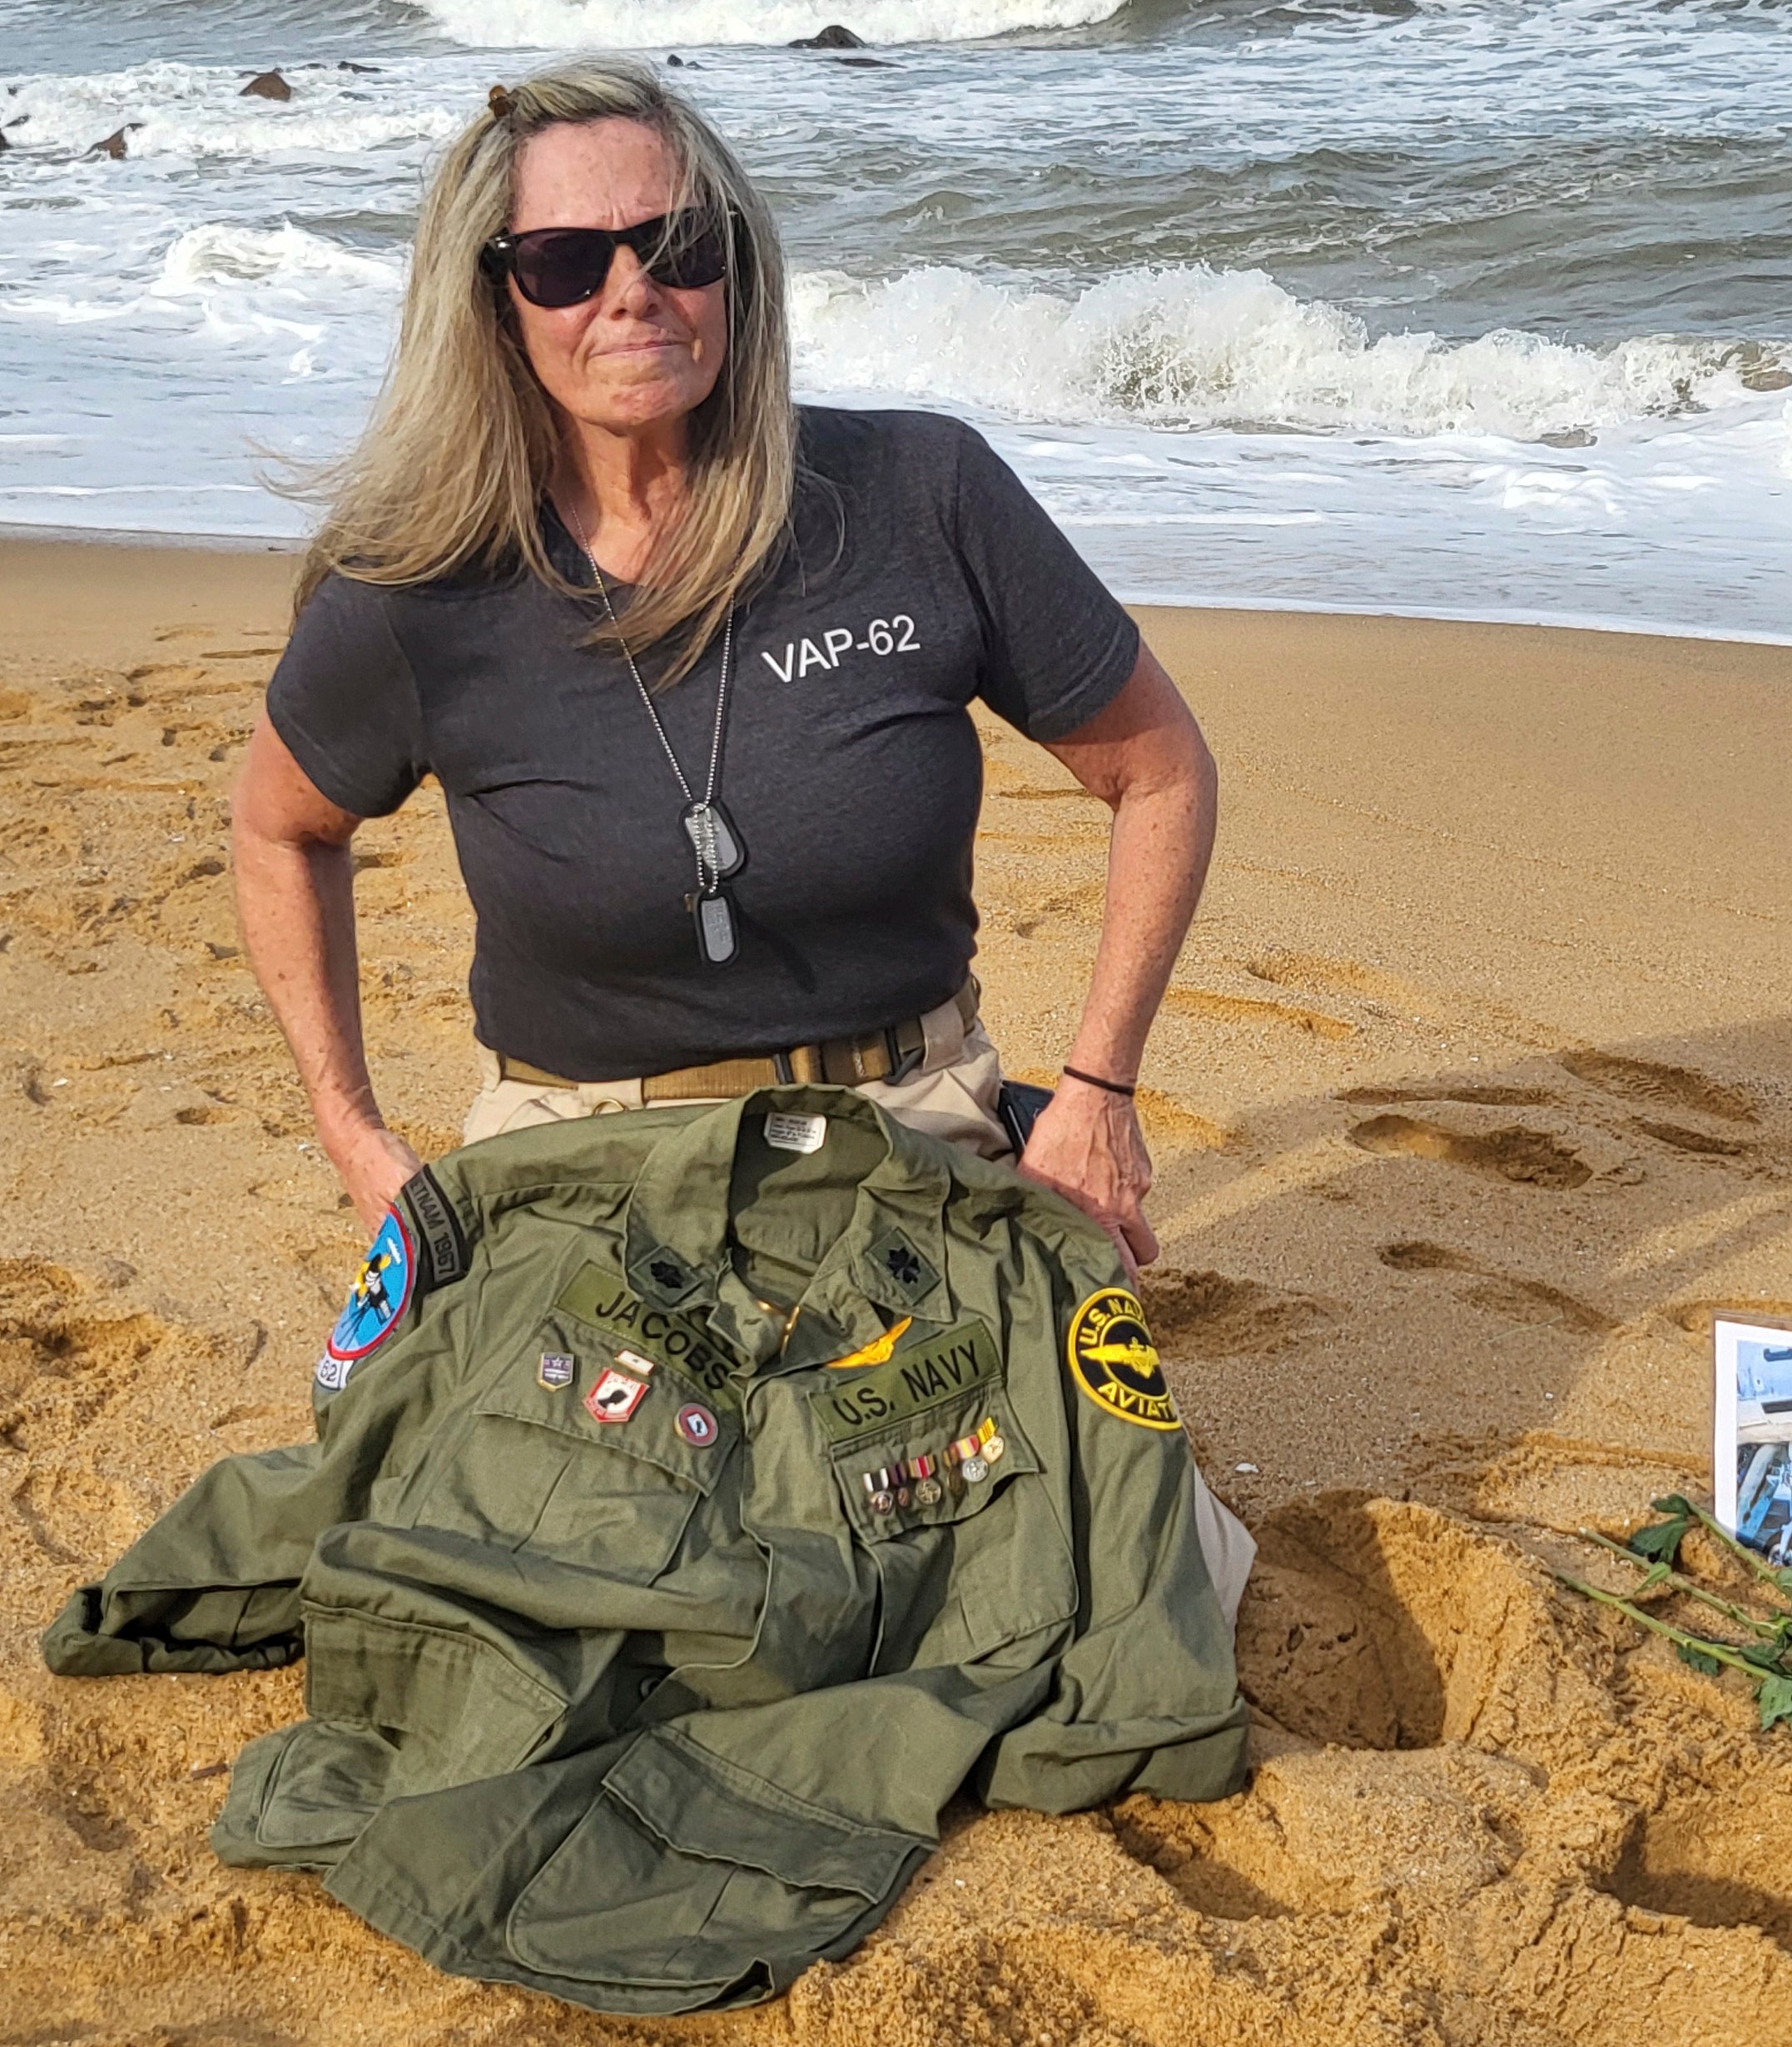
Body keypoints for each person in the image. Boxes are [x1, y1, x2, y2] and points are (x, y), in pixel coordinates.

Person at [228, 59, 1215, 1276]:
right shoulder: (421, 588)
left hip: (912, 1127)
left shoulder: (921, 496)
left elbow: (1161, 771)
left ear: (736, 266)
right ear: (494, 302)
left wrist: (1097, 1091)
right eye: (565, 263)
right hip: (575, 1162)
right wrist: (352, 1131)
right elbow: (280, 830)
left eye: (678, 242)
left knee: (1084, 1467)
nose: (633, 291)